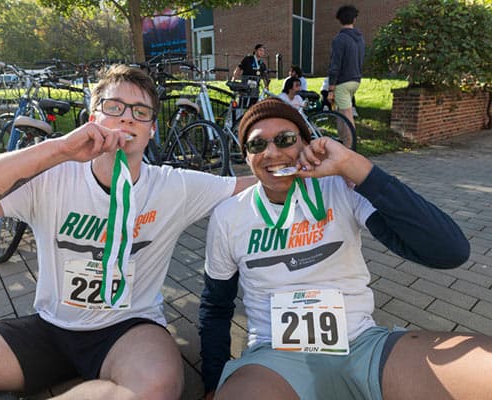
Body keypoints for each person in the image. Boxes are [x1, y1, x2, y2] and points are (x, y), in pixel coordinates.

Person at [0, 65, 255, 399]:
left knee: (157, 385)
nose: (128, 116)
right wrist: (57, 150)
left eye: (141, 112)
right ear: (91, 117)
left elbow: (255, 184)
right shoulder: (52, 177)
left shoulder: (174, 187)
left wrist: (308, 168)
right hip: (51, 328)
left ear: (151, 130)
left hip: (128, 329)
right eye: (115, 106)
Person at [199, 97, 492, 400]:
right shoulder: (229, 215)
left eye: (285, 139)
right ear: (246, 156)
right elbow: (215, 306)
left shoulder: (340, 188)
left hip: (362, 346)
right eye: (257, 145)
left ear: (307, 144)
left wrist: (354, 166)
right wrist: (212, 382)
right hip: (274, 358)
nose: (272, 152)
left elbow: (449, 250)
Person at [327, 5, 364, 127]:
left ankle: (349, 145)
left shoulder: (340, 39)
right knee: (341, 116)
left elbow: (335, 65)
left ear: (339, 20)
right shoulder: (360, 39)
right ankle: (343, 143)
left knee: (346, 117)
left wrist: (331, 89)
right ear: (354, 20)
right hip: (356, 80)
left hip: (343, 83)